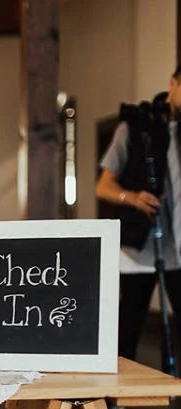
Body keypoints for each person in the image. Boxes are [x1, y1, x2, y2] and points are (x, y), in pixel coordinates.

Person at [96, 66, 181, 389]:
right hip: (140, 247)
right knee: (129, 327)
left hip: (178, 248)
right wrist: (131, 198)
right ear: (172, 83)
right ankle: (114, 399)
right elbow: (104, 186)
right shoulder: (135, 126)